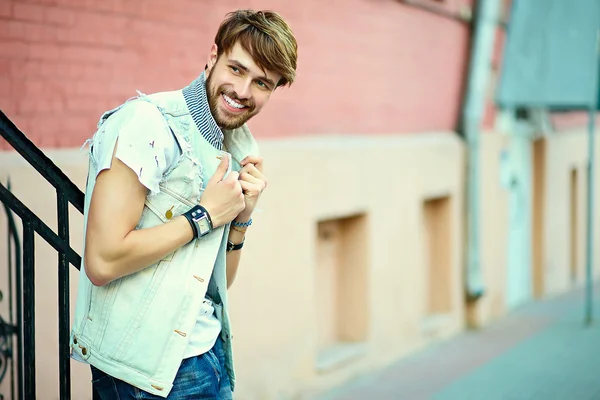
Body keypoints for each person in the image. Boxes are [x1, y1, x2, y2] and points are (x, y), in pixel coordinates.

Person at [69, 9, 298, 399]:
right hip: (145, 374)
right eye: (237, 70)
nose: (244, 92)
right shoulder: (148, 124)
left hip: (208, 356)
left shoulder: (235, 147)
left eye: (262, 82)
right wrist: (205, 216)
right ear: (212, 56)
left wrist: (241, 219)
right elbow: (102, 261)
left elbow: (220, 282)